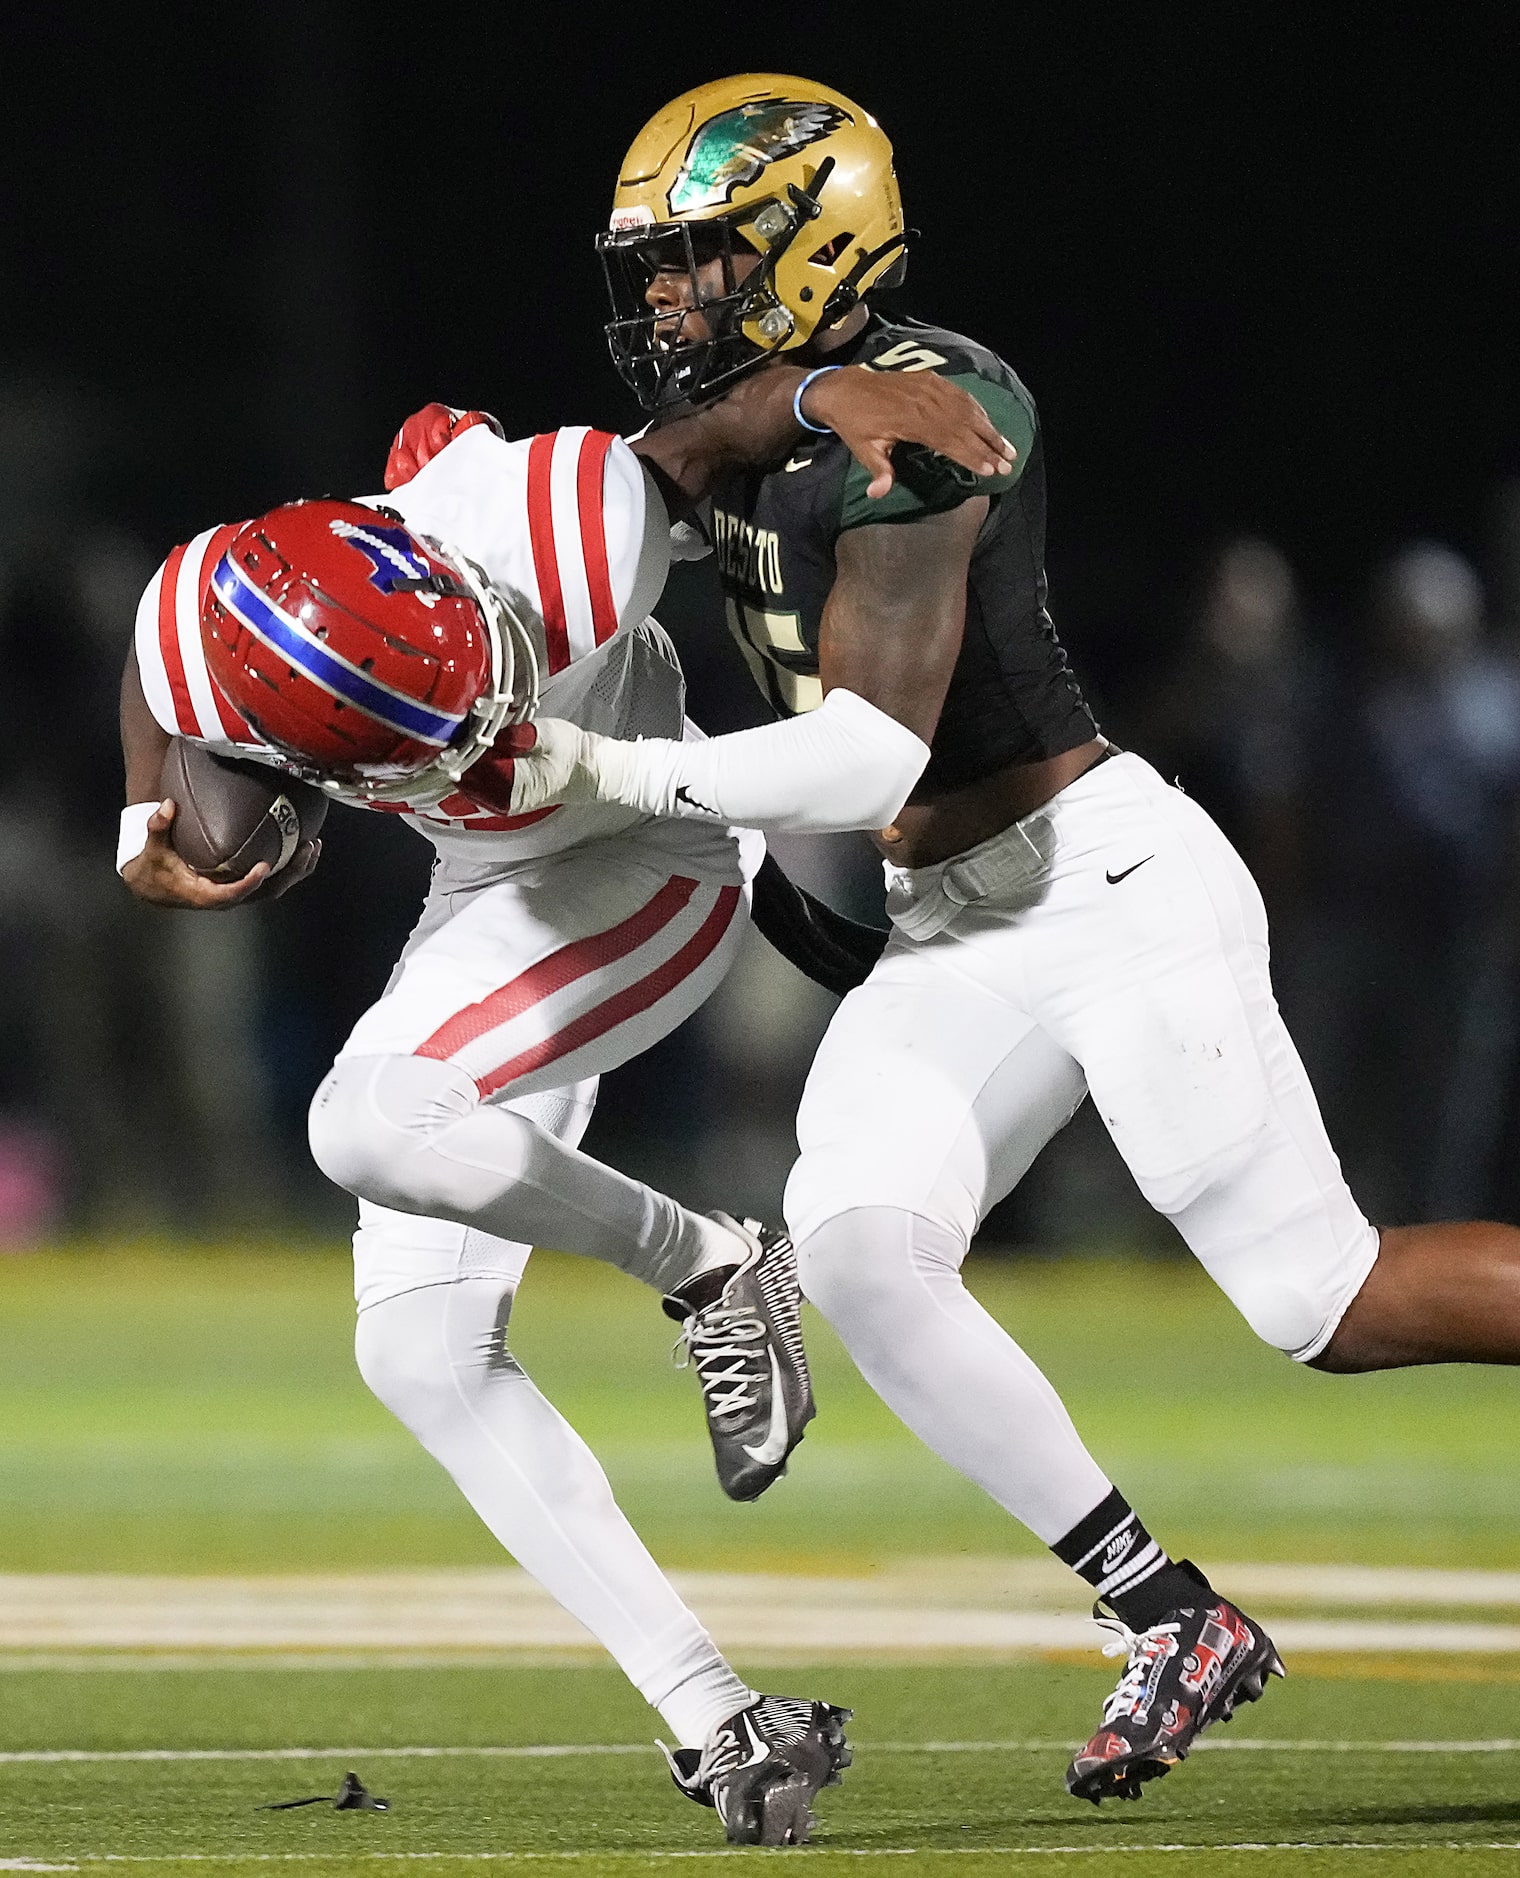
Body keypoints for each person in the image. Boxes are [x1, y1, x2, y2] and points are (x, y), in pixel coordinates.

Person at [399, 73, 1520, 1804]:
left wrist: (597, 764)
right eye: (659, 271)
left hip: (1105, 886)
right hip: (950, 922)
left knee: (1326, 1299)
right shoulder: (766, 416)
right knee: (850, 1242)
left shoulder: (933, 408)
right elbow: (616, 490)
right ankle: (1167, 1614)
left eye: (699, 263)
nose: (665, 303)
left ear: (807, 240)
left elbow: (867, 752)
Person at [115, 365, 1008, 1845]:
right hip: (483, 887)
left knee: (361, 1120)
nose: (471, 729)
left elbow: (711, 431)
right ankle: (722, 1715)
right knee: (418, 1348)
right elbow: (158, 655)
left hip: (638, 864)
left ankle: (711, 1262)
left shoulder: (568, 520)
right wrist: (150, 823)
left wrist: (836, 391)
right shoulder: (219, 617)